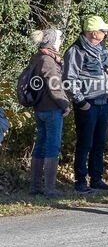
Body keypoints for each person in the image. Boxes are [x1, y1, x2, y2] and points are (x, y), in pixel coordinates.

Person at [63, 16, 108, 193]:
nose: (106, 33)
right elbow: (69, 80)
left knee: (99, 143)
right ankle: (80, 181)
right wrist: (81, 102)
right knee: (85, 143)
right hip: (87, 103)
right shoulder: (76, 50)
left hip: (102, 102)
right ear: (94, 33)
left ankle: (96, 179)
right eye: (103, 31)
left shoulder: (101, 49)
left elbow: (105, 70)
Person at [28, 29, 71, 197]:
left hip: (39, 108)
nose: (61, 41)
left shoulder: (38, 57)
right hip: (51, 108)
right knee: (52, 146)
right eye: (59, 39)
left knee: (41, 145)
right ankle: (49, 188)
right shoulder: (48, 60)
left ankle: (36, 186)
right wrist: (64, 104)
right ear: (52, 41)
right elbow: (54, 85)